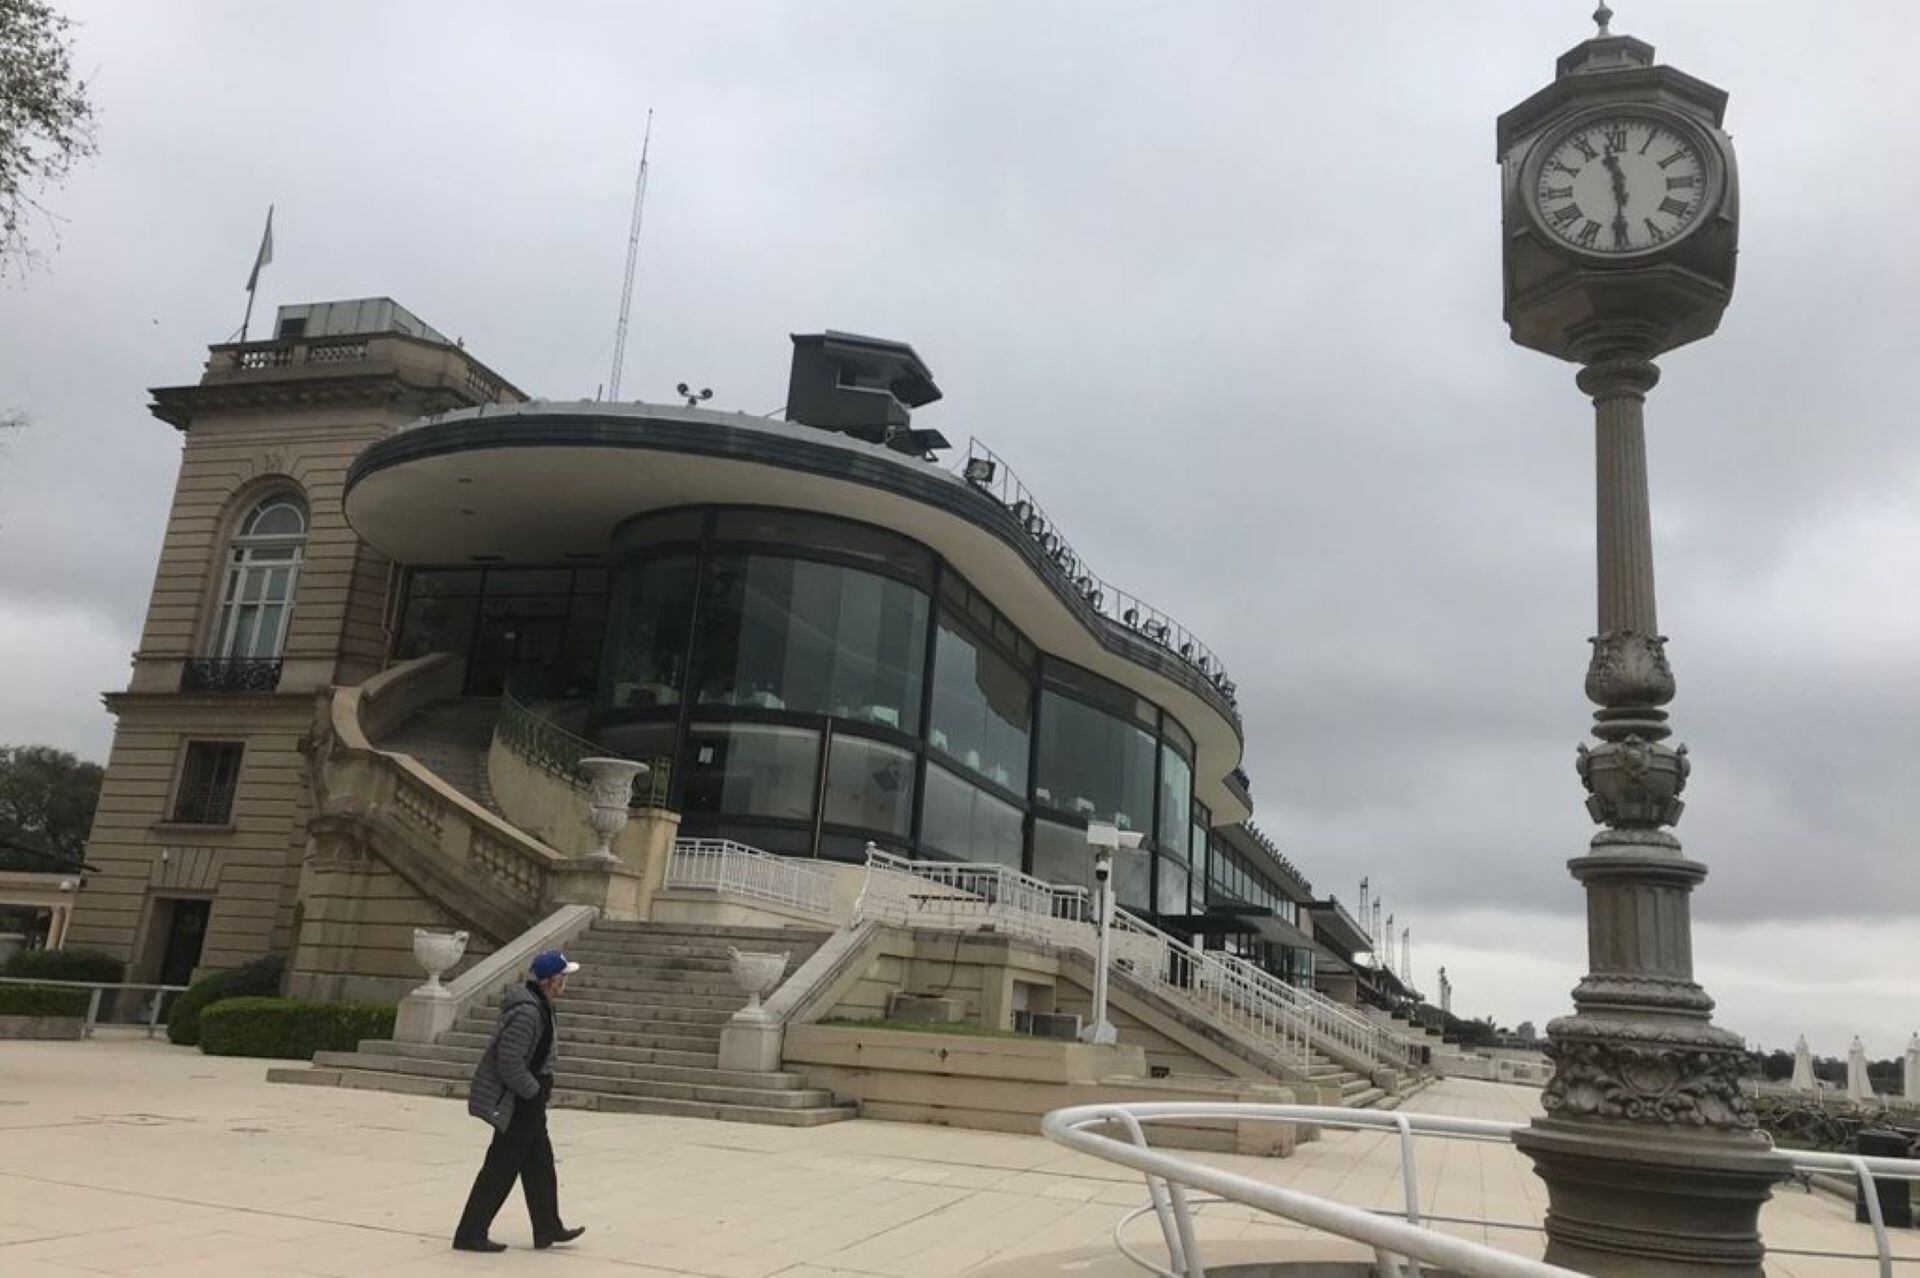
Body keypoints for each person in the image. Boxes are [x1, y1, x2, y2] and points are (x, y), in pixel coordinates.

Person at [452, 949, 587, 1252]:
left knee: (539, 1162)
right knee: (501, 1167)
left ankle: (547, 1228)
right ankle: (470, 1233)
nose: (566, 981)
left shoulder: (542, 1005)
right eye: (563, 976)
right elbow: (509, 1061)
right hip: (522, 1098)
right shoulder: (528, 1012)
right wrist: (533, 1092)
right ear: (551, 980)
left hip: (530, 1097)